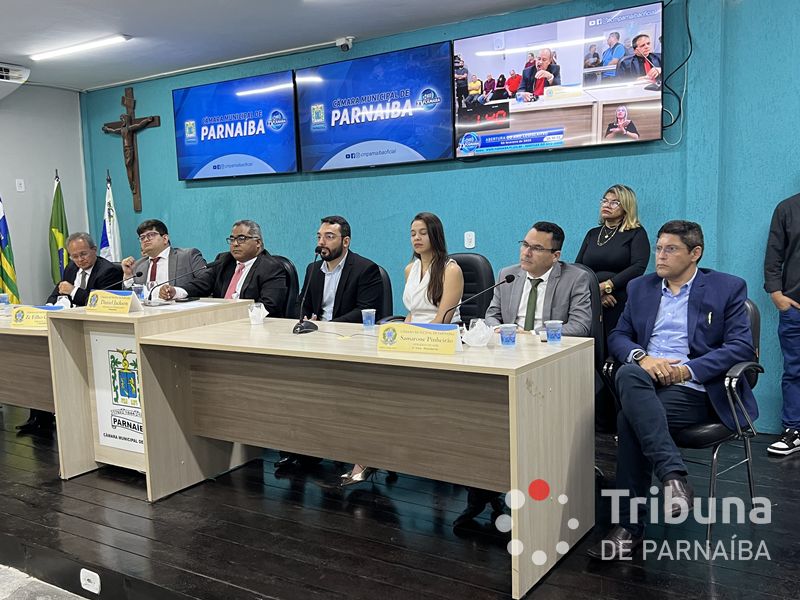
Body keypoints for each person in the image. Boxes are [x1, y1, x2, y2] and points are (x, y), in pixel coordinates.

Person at [588, 221, 757, 560]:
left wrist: (686, 370)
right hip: (645, 381)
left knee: (628, 421)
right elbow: (619, 336)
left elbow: (741, 346)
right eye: (659, 248)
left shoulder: (727, 287)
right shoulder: (641, 287)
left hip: (696, 388)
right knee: (631, 373)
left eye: (671, 249)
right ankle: (673, 477)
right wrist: (643, 358)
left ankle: (630, 528)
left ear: (695, 253)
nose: (660, 256)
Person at [456, 222, 592, 527]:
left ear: (555, 255)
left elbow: (581, 326)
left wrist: (531, 335)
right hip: (507, 361)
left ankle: (538, 497)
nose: (526, 252)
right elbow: (491, 315)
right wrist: (500, 330)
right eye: (525, 244)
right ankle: (481, 488)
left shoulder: (575, 278)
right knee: (476, 413)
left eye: (536, 248)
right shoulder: (509, 275)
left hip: (552, 368)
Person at [341, 212, 464, 487]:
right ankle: (368, 455)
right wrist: (400, 338)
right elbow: (411, 313)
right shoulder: (411, 269)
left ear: (435, 235)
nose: (416, 238)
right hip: (414, 340)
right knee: (374, 387)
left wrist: (412, 341)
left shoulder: (451, 270)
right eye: (412, 233)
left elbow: (442, 319)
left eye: (423, 233)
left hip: (440, 343)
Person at [278, 215, 385, 472]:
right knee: (294, 383)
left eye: (329, 237)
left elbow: (364, 311)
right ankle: (301, 447)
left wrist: (327, 327)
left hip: (351, 343)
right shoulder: (313, 269)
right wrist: (305, 318)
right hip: (317, 341)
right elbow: (302, 303)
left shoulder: (366, 269)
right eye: (319, 237)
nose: (321, 242)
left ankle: (353, 450)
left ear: (345, 241)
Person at [20, 233, 123, 435]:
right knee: (40, 359)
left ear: (94, 250)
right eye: (74, 256)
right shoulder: (71, 268)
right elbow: (57, 291)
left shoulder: (108, 271)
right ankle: (40, 416)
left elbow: (101, 302)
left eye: (83, 254)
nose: (79, 260)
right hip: (67, 325)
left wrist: (73, 290)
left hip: (93, 332)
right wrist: (49, 306)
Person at [576, 185, 649, 431]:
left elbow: (638, 267)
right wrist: (596, 292)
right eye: (604, 200)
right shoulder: (592, 234)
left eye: (614, 202)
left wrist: (608, 287)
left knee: (613, 358)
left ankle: (619, 419)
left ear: (626, 206)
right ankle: (596, 418)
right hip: (591, 303)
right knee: (591, 357)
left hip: (620, 304)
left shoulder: (635, 234)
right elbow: (579, 268)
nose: (607, 205)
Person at [159, 220, 287, 316]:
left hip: (251, 326)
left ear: (257, 242)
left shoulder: (271, 267)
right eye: (232, 239)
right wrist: (176, 291)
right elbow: (202, 284)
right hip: (220, 321)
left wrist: (233, 313)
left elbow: (269, 306)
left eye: (241, 239)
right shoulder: (224, 260)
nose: (235, 244)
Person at [764, 193, 800, 455]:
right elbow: (774, 254)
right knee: (795, 370)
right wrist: (776, 294)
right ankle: (794, 431)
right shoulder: (788, 208)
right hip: (795, 307)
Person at [120, 219, 205, 299]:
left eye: (150, 235)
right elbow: (130, 298)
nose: (145, 240)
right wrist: (128, 275)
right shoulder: (138, 265)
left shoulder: (188, 256)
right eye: (142, 237)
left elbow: (205, 282)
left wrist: (176, 291)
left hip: (179, 307)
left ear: (165, 238)